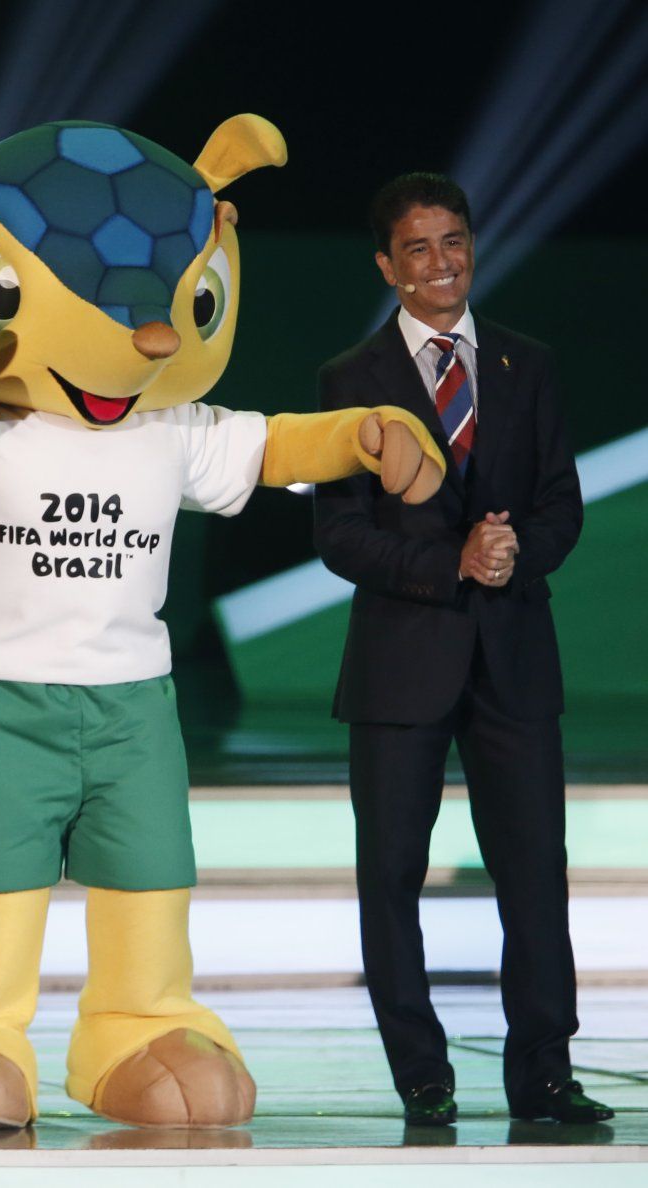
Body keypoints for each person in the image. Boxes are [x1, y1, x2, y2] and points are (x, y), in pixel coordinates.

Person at [313, 173, 613, 1127]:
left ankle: (544, 1076)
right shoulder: (349, 381)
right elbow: (341, 537)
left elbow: (560, 501)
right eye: (417, 248)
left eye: (453, 242)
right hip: (402, 663)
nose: (440, 263)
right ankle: (421, 1078)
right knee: (391, 873)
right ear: (385, 266)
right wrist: (455, 564)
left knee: (533, 875)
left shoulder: (530, 363)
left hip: (516, 658)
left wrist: (516, 552)